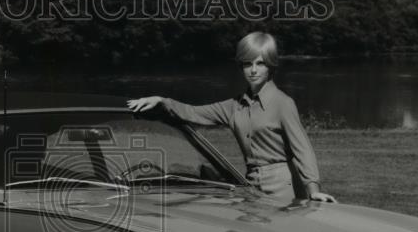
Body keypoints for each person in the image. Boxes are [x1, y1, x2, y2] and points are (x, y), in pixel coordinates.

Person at [127, 32, 335, 204]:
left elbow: (303, 149)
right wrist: (162, 101)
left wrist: (313, 188)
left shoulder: (283, 103)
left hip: (285, 187)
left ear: (271, 66)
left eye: (260, 63)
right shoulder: (234, 106)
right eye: (247, 63)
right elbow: (193, 112)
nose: (253, 70)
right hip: (252, 186)